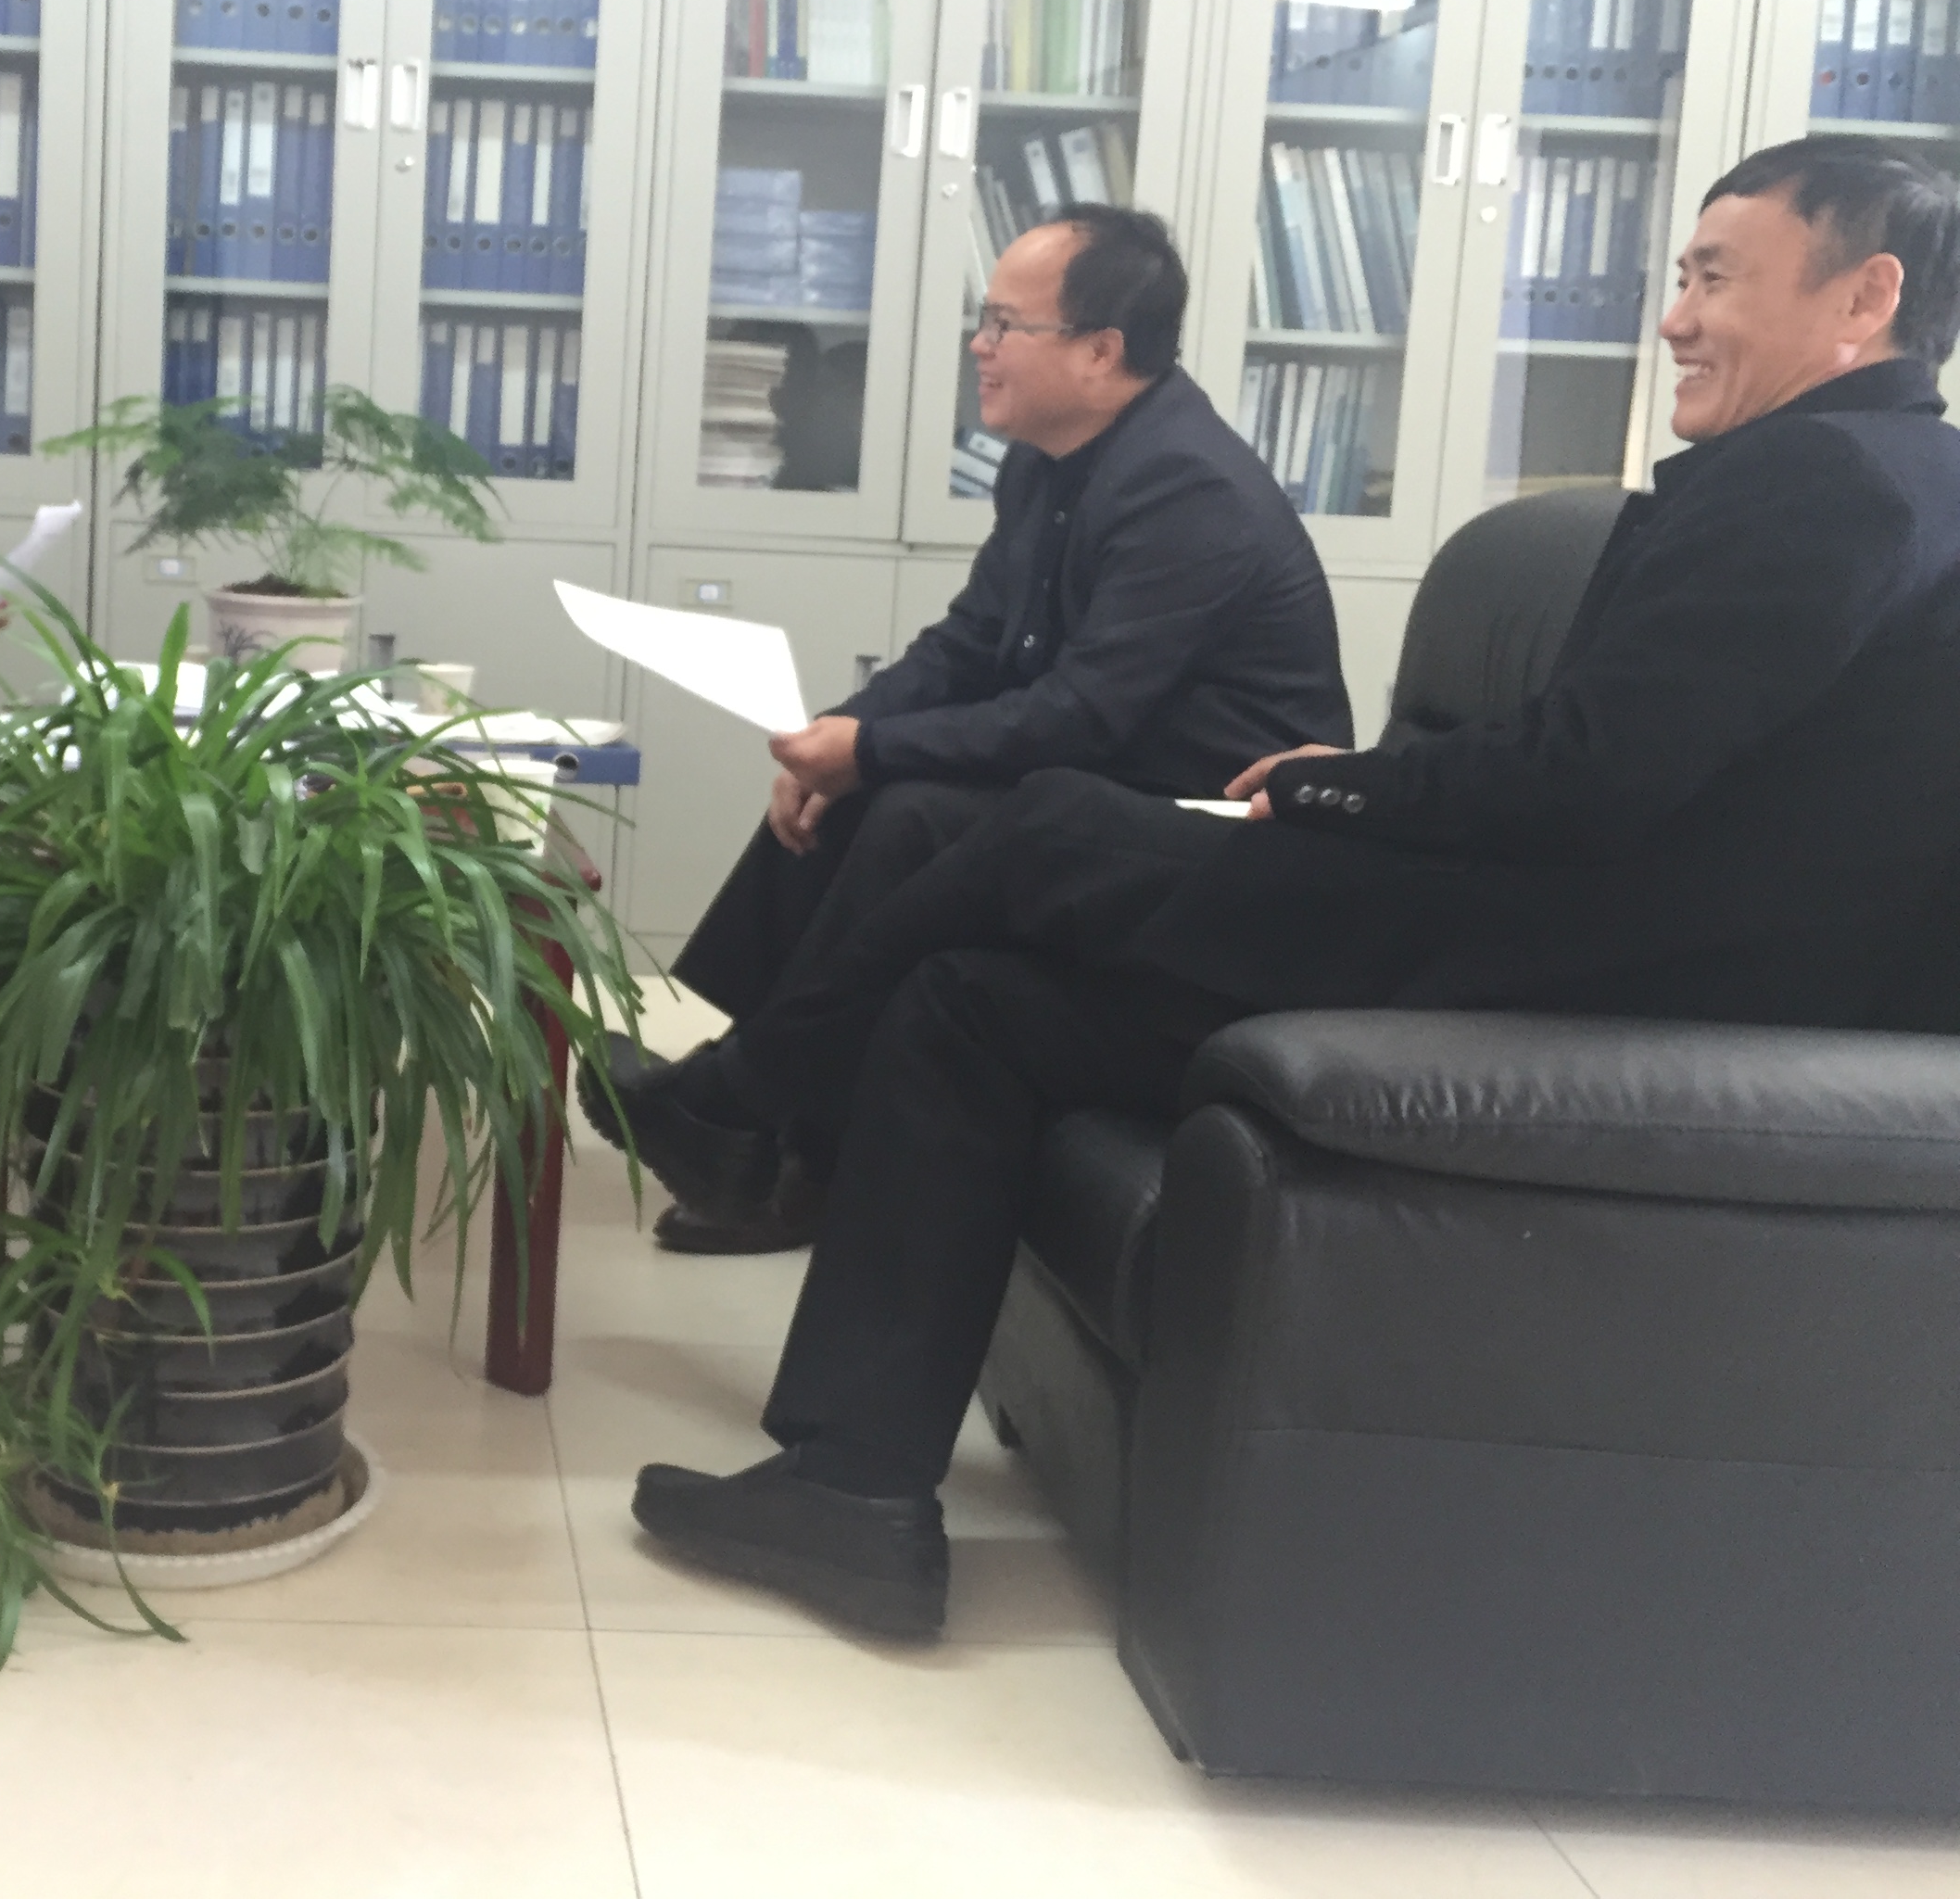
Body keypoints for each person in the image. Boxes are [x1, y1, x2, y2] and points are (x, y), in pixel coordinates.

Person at [628, 133, 1960, 1641]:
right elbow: (1614, 765)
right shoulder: (1864, 475)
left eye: (1713, 279)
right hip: (1576, 921)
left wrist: (1337, 785)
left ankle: (741, 1102)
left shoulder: (1833, 481)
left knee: (1042, 827)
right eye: (1680, 278)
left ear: (1864, 298)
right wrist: (1362, 784)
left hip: (1587, 967)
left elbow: (1586, 777)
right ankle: (850, 1491)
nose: (1672, 318)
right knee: (966, 1002)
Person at [596, 206, 1349, 1252]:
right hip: (1099, 788)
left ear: (1100, 352)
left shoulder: (1189, 487)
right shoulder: (1045, 463)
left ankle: (754, 1115)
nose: (978, 346)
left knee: (910, 810)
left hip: (1200, 835)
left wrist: (872, 754)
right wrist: (848, 728)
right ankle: (762, 1131)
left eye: (1004, 324)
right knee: (861, 789)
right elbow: (971, 644)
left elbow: (1085, 712)